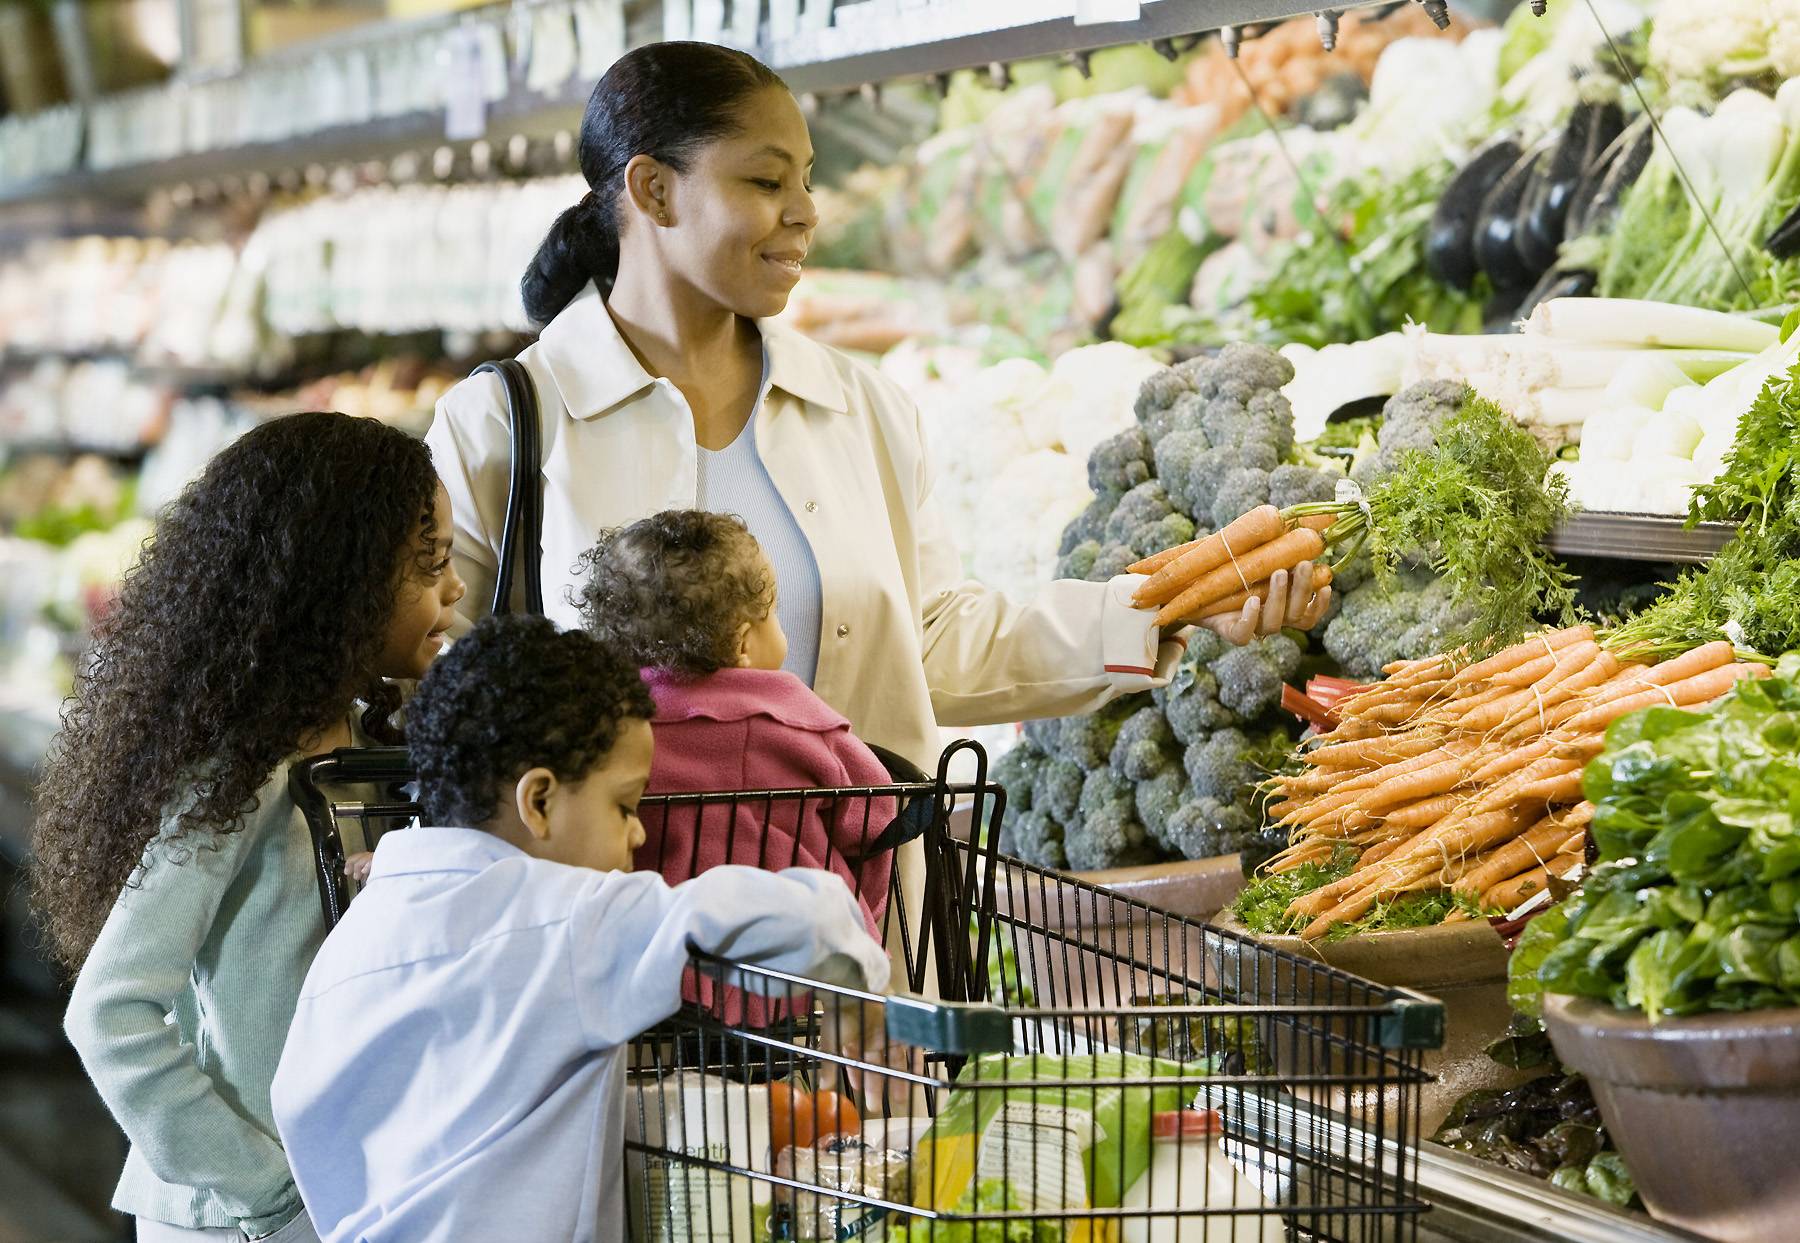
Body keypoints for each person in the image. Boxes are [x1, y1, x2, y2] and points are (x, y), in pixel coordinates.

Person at [425, 41, 1330, 776]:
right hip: (614, 951)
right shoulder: (503, 424)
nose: (805, 213)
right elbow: (441, 694)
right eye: (766, 182)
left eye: (808, 181)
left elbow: (933, 642)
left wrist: (1163, 610)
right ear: (654, 190)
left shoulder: (856, 405)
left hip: (850, 935)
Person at [270, 615, 890, 1243]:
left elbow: (303, 1111)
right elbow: (803, 915)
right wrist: (854, 982)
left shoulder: (357, 935)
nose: (640, 832)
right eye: (624, 805)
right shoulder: (569, 917)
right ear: (538, 801)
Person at [34, 413, 466, 1242]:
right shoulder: (244, 770)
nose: (451, 589)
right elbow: (112, 1011)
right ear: (341, 580)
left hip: (337, 1197)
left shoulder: (364, 738)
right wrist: (266, 1190)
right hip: (237, 1219)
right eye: (431, 563)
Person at [579, 509, 896, 933]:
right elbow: (874, 814)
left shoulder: (610, 726)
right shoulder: (799, 721)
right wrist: (864, 909)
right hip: (803, 949)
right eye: (775, 614)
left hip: (659, 943)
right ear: (743, 642)